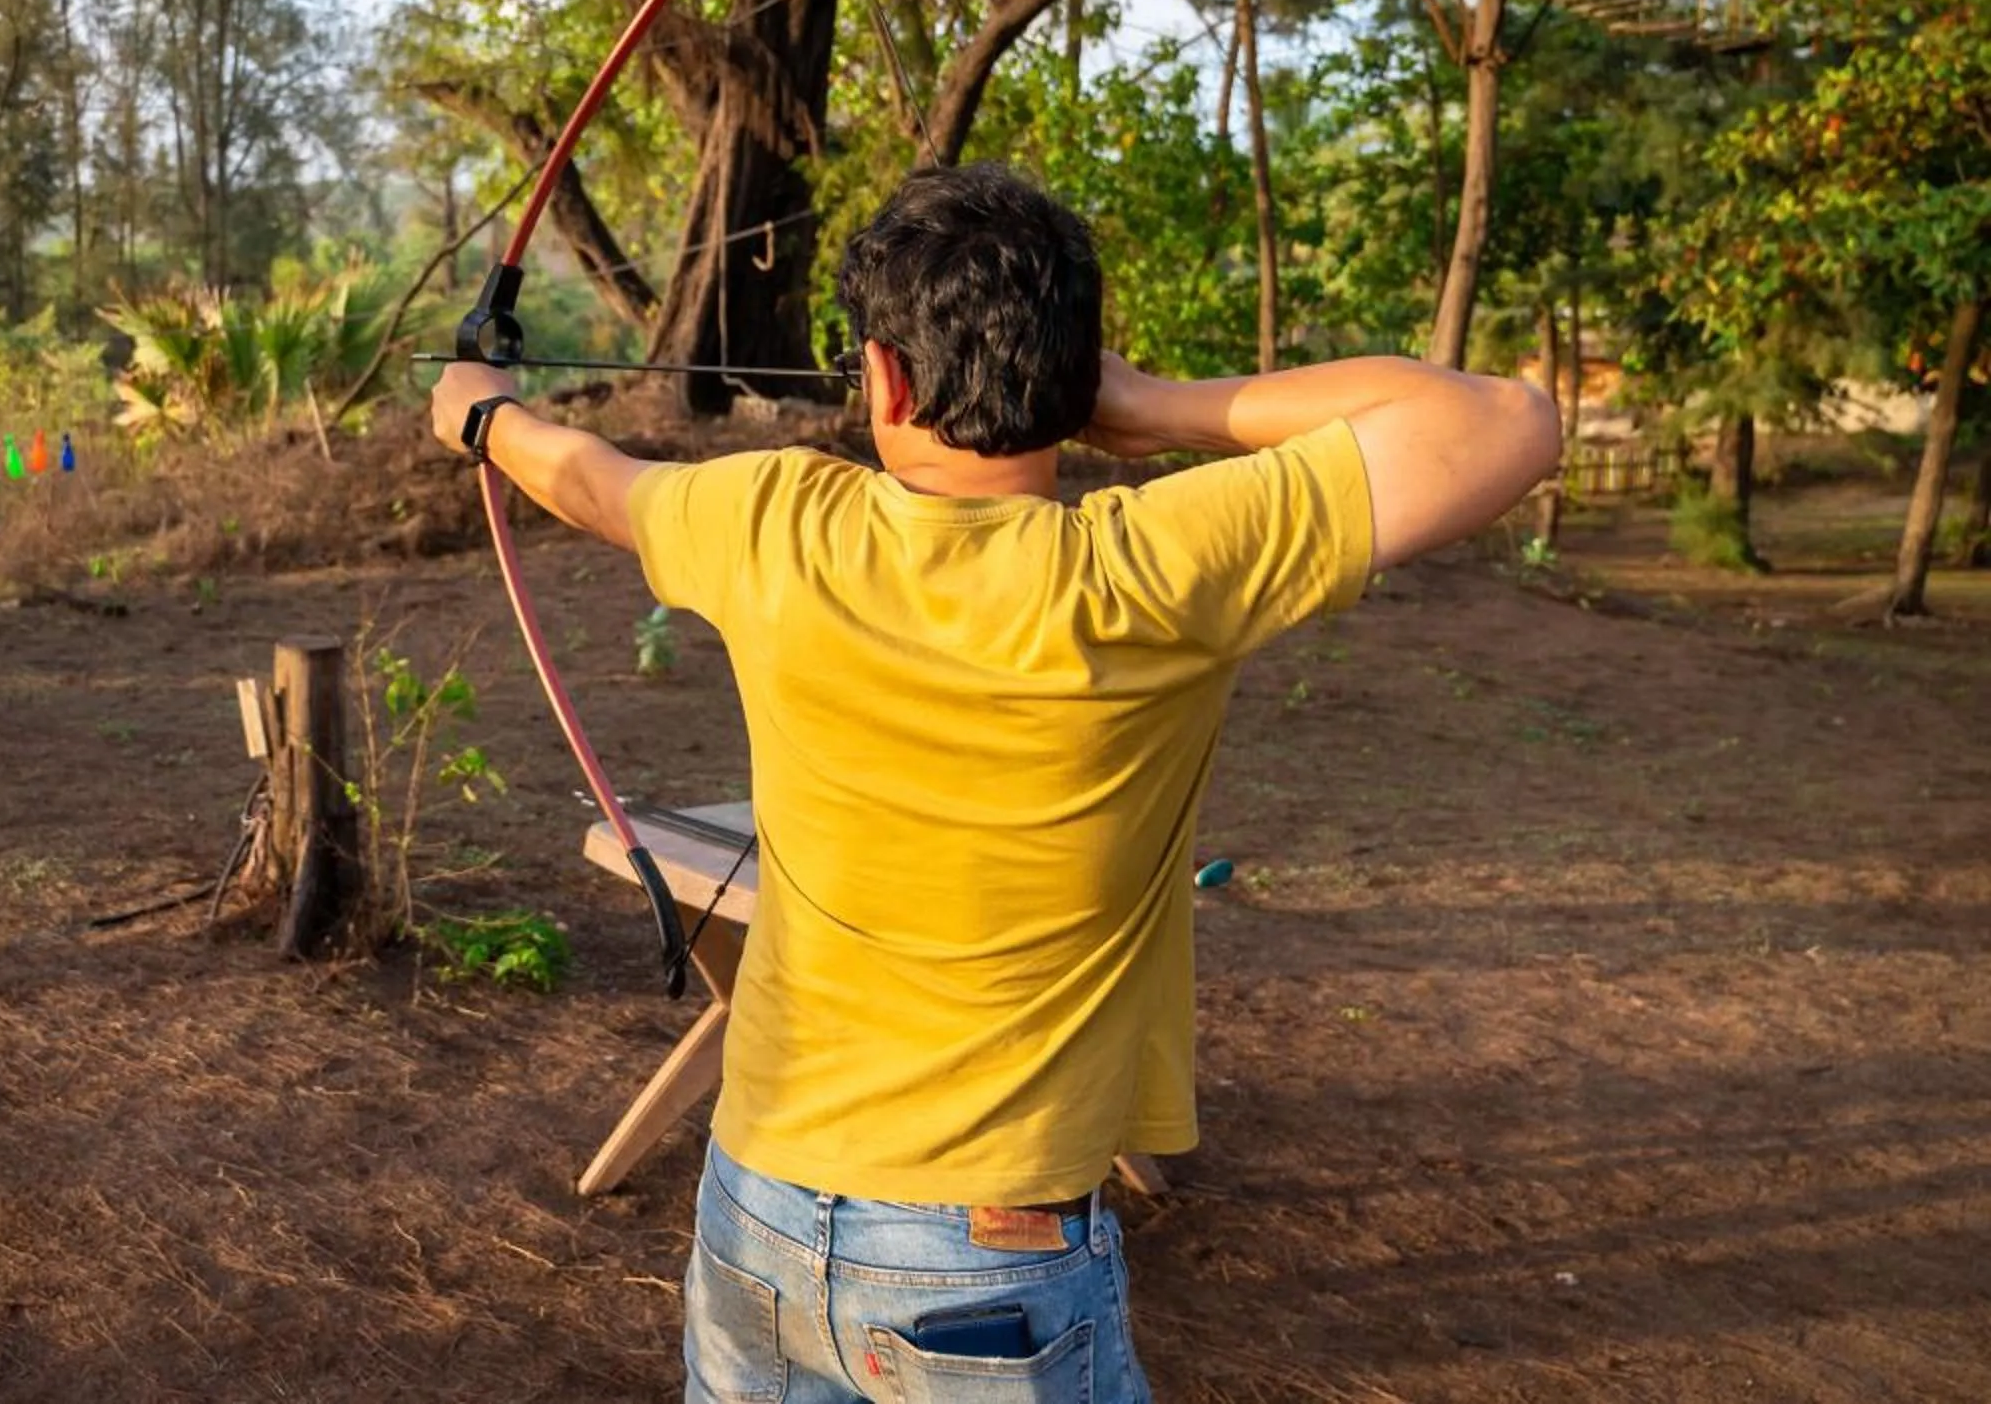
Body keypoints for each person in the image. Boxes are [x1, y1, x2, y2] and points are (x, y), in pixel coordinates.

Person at [427, 161, 1562, 1403]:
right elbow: (1506, 421)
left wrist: (482, 414)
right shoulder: (1156, 567)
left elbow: (584, 472)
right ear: (1070, 378)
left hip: (758, 1203)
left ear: (886, 379)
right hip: (990, 1247)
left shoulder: (775, 521)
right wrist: (1155, 407)